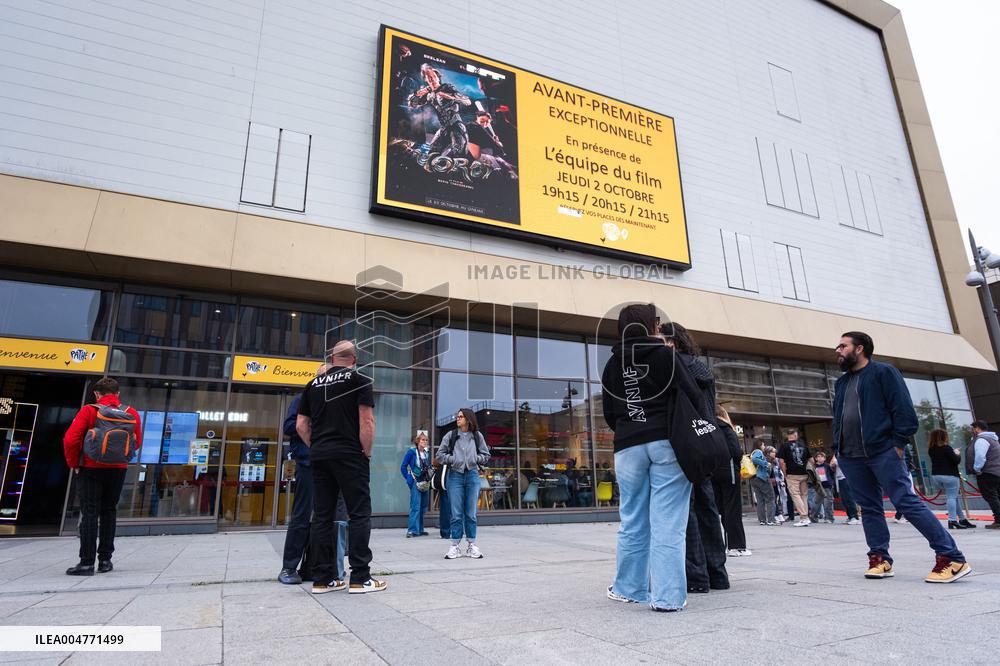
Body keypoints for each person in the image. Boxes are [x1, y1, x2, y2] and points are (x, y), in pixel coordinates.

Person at [832, 331, 970, 583]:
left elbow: (904, 409)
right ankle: (879, 559)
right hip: (850, 456)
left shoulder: (883, 373)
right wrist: (836, 448)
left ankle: (951, 557)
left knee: (906, 502)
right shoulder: (841, 383)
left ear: (860, 349)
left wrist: (897, 443)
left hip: (883, 451)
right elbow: (839, 417)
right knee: (870, 508)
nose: (837, 350)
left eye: (843, 346)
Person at [601, 306, 691, 612]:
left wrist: (632, 426)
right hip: (666, 442)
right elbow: (688, 396)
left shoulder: (613, 364)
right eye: (657, 322)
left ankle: (629, 588)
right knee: (668, 522)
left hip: (628, 445)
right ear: (650, 325)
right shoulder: (667, 356)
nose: (661, 326)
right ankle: (667, 597)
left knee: (632, 519)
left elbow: (610, 413)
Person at [297, 341, 385, 594]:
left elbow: (301, 425)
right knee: (358, 513)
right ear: (354, 360)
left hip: (320, 456)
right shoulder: (360, 380)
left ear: (332, 358)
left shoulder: (312, 385)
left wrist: (318, 445)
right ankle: (360, 577)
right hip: (349, 455)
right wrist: (365, 452)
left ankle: (323, 579)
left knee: (322, 516)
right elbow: (366, 421)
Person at [661, 323, 729, 592]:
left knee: (685, 510)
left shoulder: (673, 366)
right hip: (705, 440)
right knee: (707, 507)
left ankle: (696, 576)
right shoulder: (702, 367)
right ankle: (718, 573)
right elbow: (708, 408)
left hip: (682, 443)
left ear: (671, 343)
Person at [62, 377, 142, 576]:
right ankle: (105, 560)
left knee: (89, 512)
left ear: (97, 394)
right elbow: (136, 442)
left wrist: (74, 464)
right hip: (118, 469)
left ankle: (87, 562)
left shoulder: (89, 410)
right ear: (117, 394)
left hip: (90, 468)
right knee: (109, 511)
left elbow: (71, 440)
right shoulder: (130, 413)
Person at [436, 408, 491, 559]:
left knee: (471, 513)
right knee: (456, 514)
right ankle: (454, 546)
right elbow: (439, 455)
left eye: (460, 416)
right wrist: (454, 459)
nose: (457, 419)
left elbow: (486, 455)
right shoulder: (451, 435)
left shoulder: (477, 436)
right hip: (455, 476)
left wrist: (474, 459)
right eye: (457, 416)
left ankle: (471, 545)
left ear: (468, 419)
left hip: (473, 476)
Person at [407, 63, 472, 158]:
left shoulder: (447, 87)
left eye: (433, 76)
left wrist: (449, 96)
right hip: (443, 128)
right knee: (430, 156)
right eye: (428, 77)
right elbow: (412, 104)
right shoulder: (429, 95)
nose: (431, 79)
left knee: (459, 157)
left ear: (437, 77)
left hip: (456, 126)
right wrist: (417, 94)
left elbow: (468, 101)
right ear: (425, 79)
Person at [713, 405, 750, 556]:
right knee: (732, 510)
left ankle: (723, 545)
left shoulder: (709, 427)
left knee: (720, 510)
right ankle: (736, 546)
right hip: (729, 472)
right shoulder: (726, 428)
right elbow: (736, 452)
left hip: (713, 472)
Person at [927, 428, 974, 530]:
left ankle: (962, 519)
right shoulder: (946, 448)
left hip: (936, 476)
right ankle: (952, 520)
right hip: (950, 476)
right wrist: (956, 453)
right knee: (952, 497)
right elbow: (956, 461)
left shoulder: (931, 449)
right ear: (944, 437)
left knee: (953, 497)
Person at [967, 420, 1000, 529]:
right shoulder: (993, 439)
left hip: (987, 472)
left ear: (977, 428)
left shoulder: (981, 440)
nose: (971, 431)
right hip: (996, 472)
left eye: (972, 429)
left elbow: (980, 456)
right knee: (996, 496)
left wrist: (977, 469)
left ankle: (999, 520)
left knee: (991, 497)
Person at [778, 428, 811, 526]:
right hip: (804, 473)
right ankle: (805, 517)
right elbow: (811, 460)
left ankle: (804, 517)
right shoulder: (803, 445)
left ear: (788, 436)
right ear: (796, 435)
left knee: (795, 495)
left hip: (792, 474)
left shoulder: (784, 446)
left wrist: (785, 474)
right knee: (804, 495)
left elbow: (781, 461)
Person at [400, 432, 431, 538]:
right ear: (418, 441)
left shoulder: (427, 453)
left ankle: (420, 529)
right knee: (415, 506)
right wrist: (408, 478)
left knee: (423, 506)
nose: (425, 442)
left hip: (425, 482)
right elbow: (403, 466)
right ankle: (412, 530)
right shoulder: (412, 452)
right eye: (423, 440)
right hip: (415, 481)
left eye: (426, 440)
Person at [749, 440, 776, 526]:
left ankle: (762, 520)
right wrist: (766, 464)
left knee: (760, 500)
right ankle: (771, 520)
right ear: (760, 445)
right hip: (762, 477)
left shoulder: (752, 452)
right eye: (763, 445)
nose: (764, 447)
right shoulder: (758, 452)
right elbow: (755, 459)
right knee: (770, 498)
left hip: (754, 479)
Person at [831, 455, 860, 524]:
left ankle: (854, 517)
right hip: (839, 477)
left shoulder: (847, 453)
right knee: (844, 498)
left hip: (846, 477)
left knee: (849, 497)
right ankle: (850, 516)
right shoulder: (837, 454)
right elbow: (832, 464)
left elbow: (834, 463)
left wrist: (835, 462)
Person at [809, 451, 835, 523]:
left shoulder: (827, 466)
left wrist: (831, 483)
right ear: (816, 458)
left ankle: (829, 518)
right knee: (816, 503)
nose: (820, 458)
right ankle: (814, 518)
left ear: (824, 458)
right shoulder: (814, 467)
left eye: (822, 457)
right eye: (818, 457)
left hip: (827, 486)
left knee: (828, 503)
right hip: (818, 487)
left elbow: (832, 474)